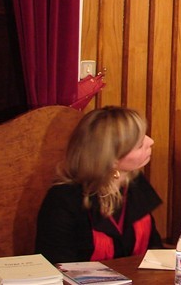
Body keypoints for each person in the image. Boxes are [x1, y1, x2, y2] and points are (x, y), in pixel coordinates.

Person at [36, 106, 162, 263]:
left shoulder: (135, 183)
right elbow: (56, 267)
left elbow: (155, 250)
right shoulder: (63, 199)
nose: (151, 141)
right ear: (112, 159)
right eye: (139, 144)